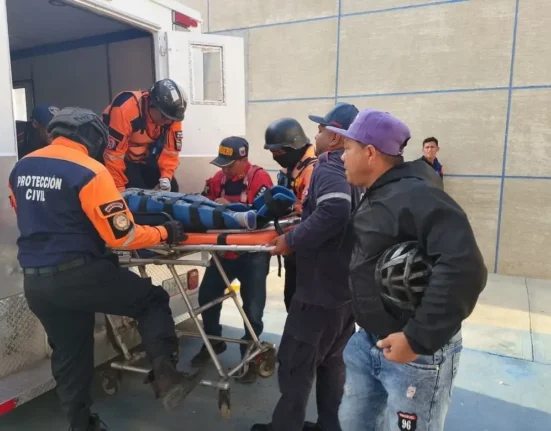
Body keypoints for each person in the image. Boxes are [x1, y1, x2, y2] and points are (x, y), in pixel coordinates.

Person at [8, 107, 201, 431]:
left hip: (36, 283)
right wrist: (163, 232)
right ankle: (167, 377)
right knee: (151, 300)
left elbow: (24, 211)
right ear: (93, 138)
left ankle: (81, 424)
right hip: (79, 274)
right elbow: (122, 236)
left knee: (70, 355)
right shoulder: (90, 171)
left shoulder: (21, 167)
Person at [329, 109, 487, 431]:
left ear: (370, 153)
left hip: (415, 357)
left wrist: (416, 339)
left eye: (347, 149)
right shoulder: (379, 192)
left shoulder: (417, 195)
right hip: (369, 343)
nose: (342, 157)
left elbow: (465, 266)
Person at [251, 103, 361, 431]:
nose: (317, 135)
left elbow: (335, 211)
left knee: (296, 365)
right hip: (344, 289)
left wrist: (291, 239)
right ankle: (329, 425)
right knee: (332, 364)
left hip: (318, 292)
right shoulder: (356, 170)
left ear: (336, 137)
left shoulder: (328, 167)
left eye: (321, 130)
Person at [192, 137, 274, 383]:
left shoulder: (260, 179)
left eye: (229, 165)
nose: (225, 170)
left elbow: (264, 216)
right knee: (206, 297)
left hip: (253, 257)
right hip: (224, 254)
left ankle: (250, 355)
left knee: (252, 309)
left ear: (243, 159)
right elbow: (202, 205)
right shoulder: (217, 181)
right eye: (222, 165)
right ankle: (213, 342)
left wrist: (230, 207)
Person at [263, 118, 317, 312]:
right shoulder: (290, 168)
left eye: (278, 152)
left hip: (309, 249)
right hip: (292, 245)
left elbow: (314, 214)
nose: (275, 157)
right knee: (291, 300)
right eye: (272, 152)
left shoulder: (313, 170)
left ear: (294, 145)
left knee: (306, 307)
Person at [102, 78, 187, 192]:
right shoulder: (125, 108)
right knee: (137, 190)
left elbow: (171, 151)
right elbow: (113, 156)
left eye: (171, 119)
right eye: (164, 117)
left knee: (173, 187)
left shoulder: (171, 116)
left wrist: (166, 177)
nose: (168, 122)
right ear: (151, 104)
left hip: (145, 158)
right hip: (119, 158)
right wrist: (119, 189)